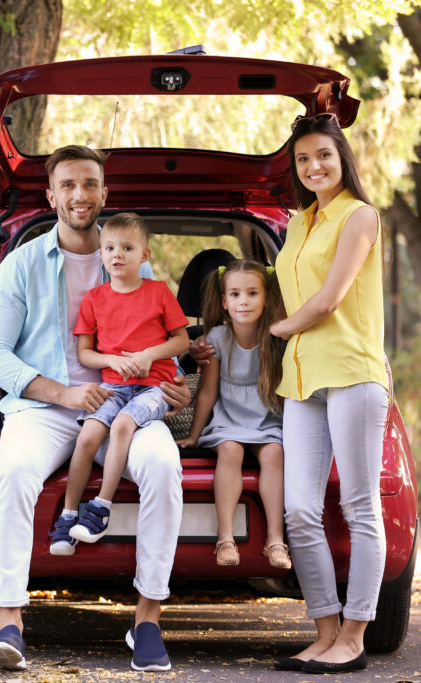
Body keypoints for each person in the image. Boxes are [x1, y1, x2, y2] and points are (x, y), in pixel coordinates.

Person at [0, 145, 190, 673]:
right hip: (46, 408)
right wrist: (62, 392)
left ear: (104, 193)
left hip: (129, 404)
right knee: (17, 473)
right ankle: (10, 623)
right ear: (51, 195)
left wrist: (176, 386)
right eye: (68, 185)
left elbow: (161, 337)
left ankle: (146, 621)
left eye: (90, 184)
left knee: (164, 468)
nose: (80, 195)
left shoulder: (129, 257)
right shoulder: (21, 265)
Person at [268, 113, 388, 674]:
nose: (314, 166)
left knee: (360, 506)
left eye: (323, 156)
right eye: (303, 160)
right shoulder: (297, 224)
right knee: (298, 511)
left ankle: (356, 634)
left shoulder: (360, 217)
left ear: (343, 159)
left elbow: (327, 300)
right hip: (301, 378)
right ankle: (325, 632)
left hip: (351, 373)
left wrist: (274, 330)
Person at [50, 213, 189, 550]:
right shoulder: (94, 300)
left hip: (154, 387)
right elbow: (85, 353)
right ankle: (68, 516)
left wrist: (148, 355)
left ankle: (101, 508)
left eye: (127, 248)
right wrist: (111, 359)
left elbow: (181, 341)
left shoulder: (158, 292)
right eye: (110, 247)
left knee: (123, 425)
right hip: (113, 386)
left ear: (145, 255)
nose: (117, 254)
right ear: (100, 254)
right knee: (87, 437)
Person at [176, 260, 289, 570]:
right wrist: (194, 435)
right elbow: (209, 392)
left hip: (265, 420)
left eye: (253, 293)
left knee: (274, 454)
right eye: (236, 294)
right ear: (225, 302)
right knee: (230, 450)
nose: (244, 301)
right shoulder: (216, 339)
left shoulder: (275, 338)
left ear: (267, 298)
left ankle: (276, 541)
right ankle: (225, 538)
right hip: (228, 421)